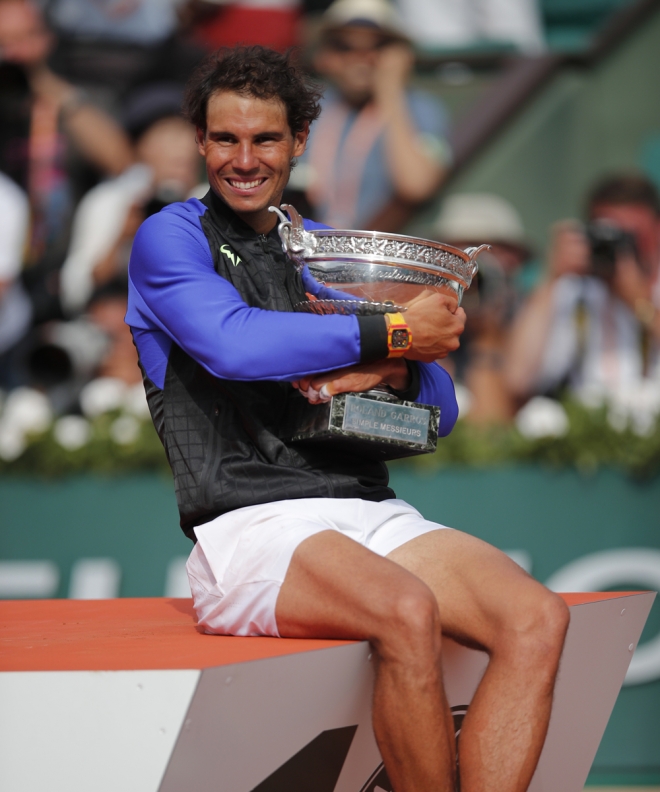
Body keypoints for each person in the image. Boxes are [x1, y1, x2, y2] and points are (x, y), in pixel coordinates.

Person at [127, 45, 568, 792]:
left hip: (368, 509)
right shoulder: (170, 235)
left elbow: (443, 408)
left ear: (299, 142)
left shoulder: (327, 250)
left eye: (264, 139)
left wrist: (393, 365)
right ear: (201, 142)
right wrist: (394, 334)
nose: (243, 158)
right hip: (248, 524)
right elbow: (229, 343)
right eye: (225, 139)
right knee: (406, 610)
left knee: (537, 620)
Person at [505, 174, 660, 406]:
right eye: (609, 236)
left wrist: (640, 303)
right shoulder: (575, 289)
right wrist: (551, 278)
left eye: (631, 236)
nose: (620, 249)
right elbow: (518, 378)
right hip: (589, 430)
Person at [300, 0, 451, 232]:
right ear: (324, 55)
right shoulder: (305, 106)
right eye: (344, 47)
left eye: (377, 47)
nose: (360, 58)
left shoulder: (422, 108)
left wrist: (390, 91)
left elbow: (416, 185)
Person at [433, 193, 535, 423]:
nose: (473, 269)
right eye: (461, 252)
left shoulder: (531, 319)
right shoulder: (414, 312)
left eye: (488, 251)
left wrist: (488, 335)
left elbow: (491, 427)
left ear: (515, 260)